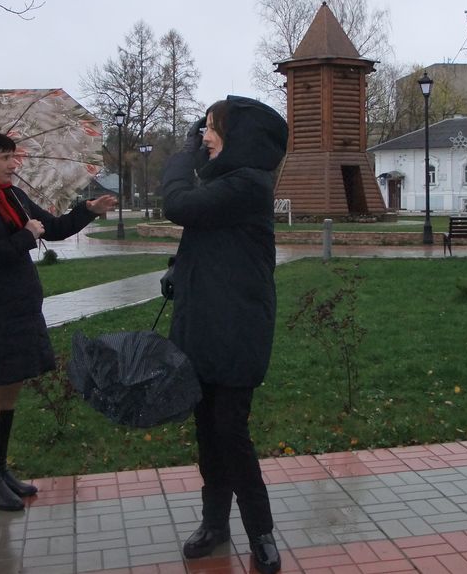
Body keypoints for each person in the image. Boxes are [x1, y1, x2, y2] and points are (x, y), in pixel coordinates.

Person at [0, 130, 117, 511]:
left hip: (21, 305)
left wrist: (88, 210)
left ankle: (2, 471)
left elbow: (54, 228)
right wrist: (25, 238)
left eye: (14, 156)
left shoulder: (13, 196)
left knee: (11, 387)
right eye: (5, 157)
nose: (14, 164)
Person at [161, 96, 287, 574]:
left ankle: (261, 533)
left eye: (211, 128)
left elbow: (179, 205)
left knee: (231, 432)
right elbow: (207, 236)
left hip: (236, 330)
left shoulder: (248, 184)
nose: (204, 136)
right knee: (207, 433)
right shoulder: (227, 183)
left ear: (236, 137)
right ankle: (215, 524)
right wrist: (180, 268)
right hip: (204, 325)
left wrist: (182, 157)